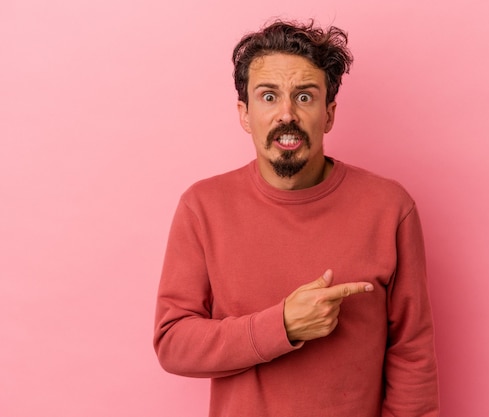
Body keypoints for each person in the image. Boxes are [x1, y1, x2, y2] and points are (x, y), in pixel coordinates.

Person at [154, 19, 439, 417]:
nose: (286, 114)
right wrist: (282, 326)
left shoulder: (390, 208)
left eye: (304, 97)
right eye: (268, 97)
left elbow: (412, 355)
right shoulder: (202, 207)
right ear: (244, 113)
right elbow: (173, 343)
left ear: (329, 114)